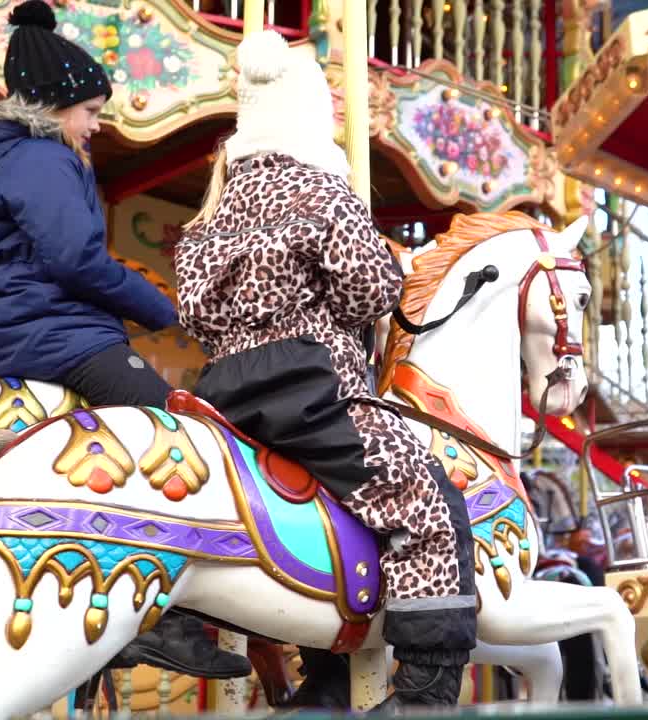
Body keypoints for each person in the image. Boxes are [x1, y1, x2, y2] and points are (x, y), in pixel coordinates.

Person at [0, 0, 249, 681]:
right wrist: (165, 310)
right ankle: (167, 622)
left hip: (21, 331)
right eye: (89, 111)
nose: (96, 125)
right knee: (178, 436)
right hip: (57, 334)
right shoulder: (41, 159)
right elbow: (76, 260)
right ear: (55, 107)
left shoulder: (3, 159)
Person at [173, 30, 477, 709]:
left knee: (333, 508)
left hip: (225, 395)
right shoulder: (322, 193)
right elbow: (372, 291)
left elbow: (192, 312)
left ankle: (328, 676)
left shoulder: (211, 212)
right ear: (310, 118)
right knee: (424, 498)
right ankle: (426, 691)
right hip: (312, 389)